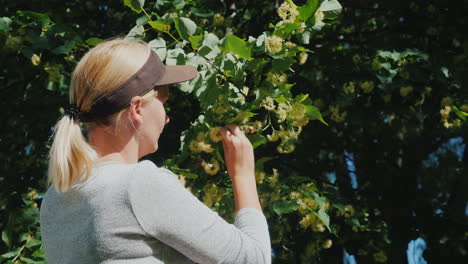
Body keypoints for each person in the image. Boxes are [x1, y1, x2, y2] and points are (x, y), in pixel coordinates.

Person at [39, 38, 271, 264]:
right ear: (138, 108)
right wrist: (243, 175)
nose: (167, 117)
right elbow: (254, 259)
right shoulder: (138, 184)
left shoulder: (54, 199)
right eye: (164, 103)